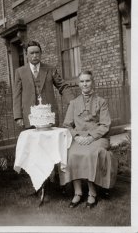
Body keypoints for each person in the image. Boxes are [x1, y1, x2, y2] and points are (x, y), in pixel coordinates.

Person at [59, 70, 118, 208]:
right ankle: (77, 192)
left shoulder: (101, 102)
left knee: (91, 154)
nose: (85, 84)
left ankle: (92, 193)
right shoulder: (73, 103)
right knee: (71, 153)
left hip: (98, 137)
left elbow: (105, 125)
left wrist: (91, 137)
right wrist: (77, 136)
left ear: (93, 82)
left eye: (87, 81)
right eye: (82, 81)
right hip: (79, 138)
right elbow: (67, 125)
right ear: (79, 84)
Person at [13, 40, 74, 129]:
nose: (35, 56)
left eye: (37, 52)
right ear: (26, 54)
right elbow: (17, 95)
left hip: (49, 116)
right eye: (32, 53)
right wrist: (18, 116)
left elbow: (63, 86)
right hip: (30, 117)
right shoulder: (20, 72)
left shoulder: (50, 69)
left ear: (41, 53)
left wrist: (73, 102)